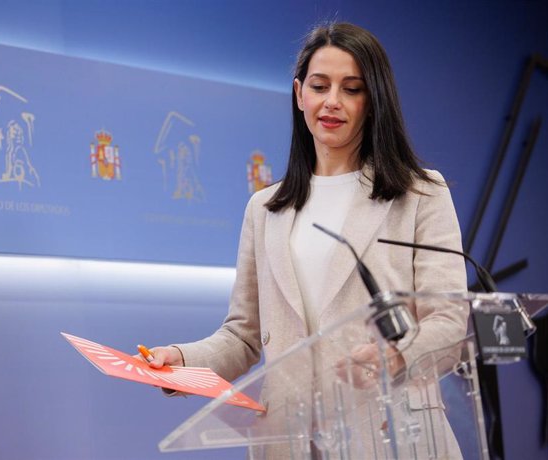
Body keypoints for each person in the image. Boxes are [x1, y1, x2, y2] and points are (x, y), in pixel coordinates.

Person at [147, 22, 468, 458]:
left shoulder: (420, 192)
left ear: (373, 100)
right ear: (300, 95)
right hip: (289, 442)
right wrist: (180, 362)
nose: (332, 101)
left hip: (392, 434)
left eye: (351, 89)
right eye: (320, 86)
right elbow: (243, 337)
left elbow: (448, 323)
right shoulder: (264, 209)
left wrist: (394, 357)